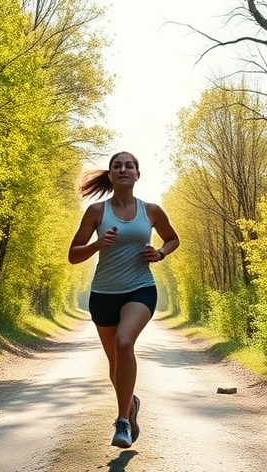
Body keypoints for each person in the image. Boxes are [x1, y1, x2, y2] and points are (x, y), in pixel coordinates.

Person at [68, 151, 179, 448]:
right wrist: (97, 245)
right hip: (104, 294)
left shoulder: (151, 210)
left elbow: (172, 238)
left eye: (129, 166)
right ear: (111, 174)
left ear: (137, 175)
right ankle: (131, 405)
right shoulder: (96, 212)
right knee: (115, 365)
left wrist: (160, 253)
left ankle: (122, 422)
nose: (123, 169)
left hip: (140, 289)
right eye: (117, 166)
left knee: (124, 343)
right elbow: (73, 255)